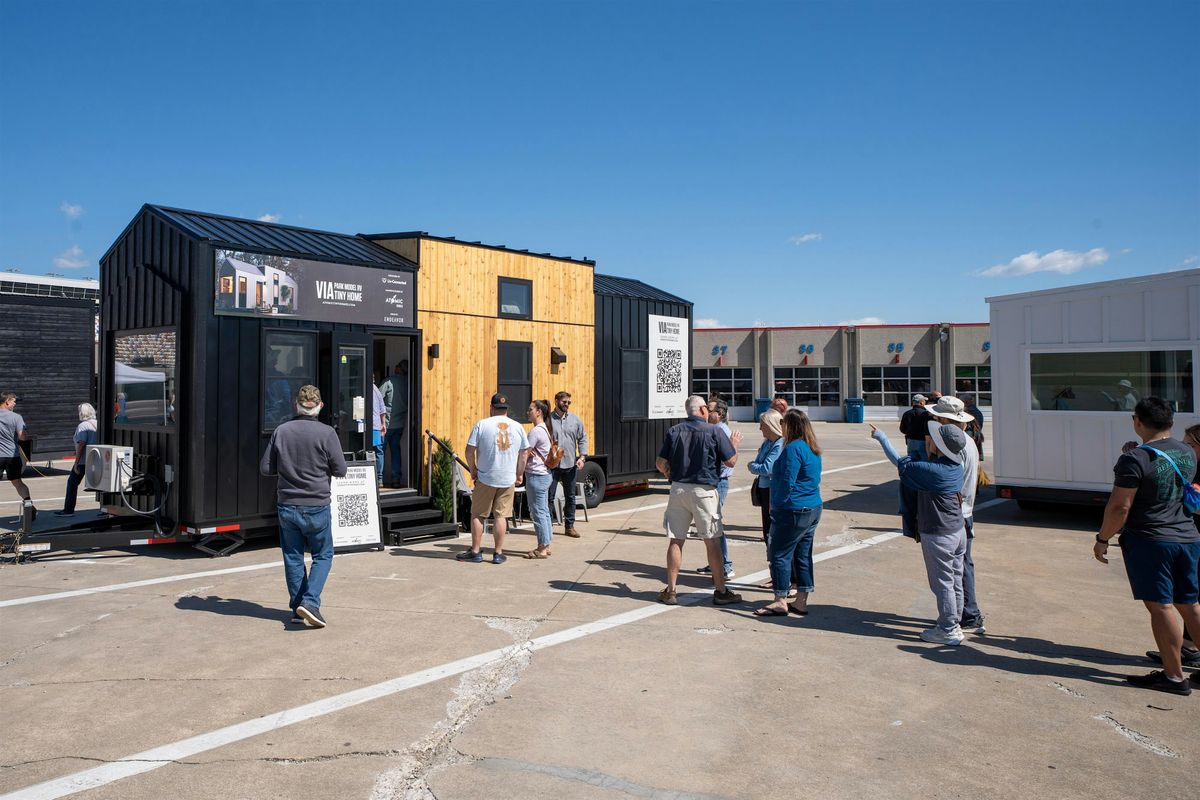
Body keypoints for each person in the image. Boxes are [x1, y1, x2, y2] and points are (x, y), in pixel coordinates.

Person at [1093, 397, 1200, 695]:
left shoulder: (1135, 459)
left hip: (1152, 541)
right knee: (1190, 604)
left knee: (1161, 606)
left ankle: (1175, 676)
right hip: (1188, 537)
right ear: (1171, 422)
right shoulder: (1187, 451)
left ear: (1137, 421)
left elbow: (1120, 507)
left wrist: (1103, 539)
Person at [871, 419, 969, 645]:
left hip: (939, 533)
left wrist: (882, 438)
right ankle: (953, 623)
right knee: (954, 579)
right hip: (957, 529)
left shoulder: (931, 470)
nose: (929, 440)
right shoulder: (956, 465)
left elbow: (899, 462)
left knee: (942, 582)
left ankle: (948, 629)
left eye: (934, 439)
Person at [259, 385, 348, 629]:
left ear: (295, 405)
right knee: (323, 555)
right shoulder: (327, 433)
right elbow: (341, 469)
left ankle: (298, 608)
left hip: (287, 504)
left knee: (292, 557)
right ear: (320, 406)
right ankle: (310, 603)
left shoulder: (281, 431)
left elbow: (266, 468)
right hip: (317, 503)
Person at [654, 395, 742, 606]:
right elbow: (730, 460)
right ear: (703, 410)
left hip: (679, 489)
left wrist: (669, 474)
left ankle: (671, 590)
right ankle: (720, 590)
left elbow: (659, 462)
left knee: (676, 540)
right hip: (704, 490)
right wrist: (734, 445)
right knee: (711, 540)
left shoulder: (674, 431)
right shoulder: (715, 431)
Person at [925, 396, 986, 635]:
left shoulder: (953, 447)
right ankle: (963, 615)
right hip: (965, 511)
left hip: (952, 514)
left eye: (937, 417)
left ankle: (962, 617)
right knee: (961, 566)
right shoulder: (968, 441)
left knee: (951, 572)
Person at [754, 410, 823, 617]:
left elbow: (786, 482)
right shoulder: (812, 448)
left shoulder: (792, 449)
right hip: (813, 507)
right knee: (802, 555)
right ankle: (801, 601)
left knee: (780, 555)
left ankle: (780, 600)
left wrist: (775, 506)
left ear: (790, 426)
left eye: (783, 422)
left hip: (793, 509)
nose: (781, 425)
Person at [1143, 423, 1200, 669]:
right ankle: (1188, 647)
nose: (1184, 448)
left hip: (1190, 537)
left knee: (1186, 600)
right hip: (1189, 536)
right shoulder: (1192, 467)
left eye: (1189, 444)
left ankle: (1178, 666)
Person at [460, 393, 530, 565]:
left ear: (491, 407)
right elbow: (525, 452)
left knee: (478, 514)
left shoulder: (482, 424)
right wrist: (519, 473)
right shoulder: (517, 426)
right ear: (506, 409)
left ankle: (476, 551)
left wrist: (473, 469)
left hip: (486, 476)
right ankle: (498, 553)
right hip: (507, 477)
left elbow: (469, 450)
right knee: (501, 516)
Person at [699, 397, 741, 580]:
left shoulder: (721, 431)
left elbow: (728, 463)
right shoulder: (715, 429)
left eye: (710, 409)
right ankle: (715, 562)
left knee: (715, 525)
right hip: (714, 481)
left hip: (718, 482)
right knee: (710, 525)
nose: (706, 412)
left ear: (720, 414)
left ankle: (726, 566)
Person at [547, 390, 588, 538]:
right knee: (549, 497)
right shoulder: (548, 420)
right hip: (552, 466)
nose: (567, 405)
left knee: (570, 496)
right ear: (556, 401)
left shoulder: (575, 420)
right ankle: (548, 527)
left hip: (570, 464)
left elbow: (582, 437)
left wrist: (582, 457)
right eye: (564, 402)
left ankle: (569, 527)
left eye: (569, 402)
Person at [747, 409, 784, 552]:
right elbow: (759, 464)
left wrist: (752, 466)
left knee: (771, 527)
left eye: (762, 424)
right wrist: (756, 466)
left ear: (770, 425)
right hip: (763, 488)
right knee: (766, 526)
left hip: (771, 490)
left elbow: (766, 468)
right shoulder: (767, 443)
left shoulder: (779, 444)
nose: (760, 428)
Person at [522, 400, 555, 559]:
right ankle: (547, 544)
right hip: (545, 474)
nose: (528, 412)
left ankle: (542, 548)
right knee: (544, 511)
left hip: (536, 475)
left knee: (538, 512)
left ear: (538, 412)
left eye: (530, 409)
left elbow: (524, 453)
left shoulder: (535, 431)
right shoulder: (546, 430)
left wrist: (518, 472)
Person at [56, 403, 98, 517]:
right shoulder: (97, 423)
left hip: (84, 460)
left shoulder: (83, 426)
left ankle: (68, 510)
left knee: (72, 483)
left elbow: (82, 444)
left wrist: (76, 462)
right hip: (97, 458)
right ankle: (103, 509)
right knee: (101, 484)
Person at [0, 391, 34, 520]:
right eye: (14, 401)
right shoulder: (16, 417)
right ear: (7, 401)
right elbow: (22, 437)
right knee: (18, 482)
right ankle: (29, 507)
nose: (15, 404)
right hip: (12, 456)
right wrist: (24, 432)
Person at [380, 360, 409, 487]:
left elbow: (377, 398)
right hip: (400, 423)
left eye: (397, 366)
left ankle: (379, 480)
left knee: (380, 451)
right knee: (396, 451)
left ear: (398, 368)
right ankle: (396, 479)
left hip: (386, 423)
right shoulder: (407, 383)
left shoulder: (388, 382)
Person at [899, 394, 930, 460]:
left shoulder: (907, 413)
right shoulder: (926, 414)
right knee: (924, 462)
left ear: (913, 403)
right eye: (925, 401)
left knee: (912, 461)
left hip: (910, 440)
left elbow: (902, 429)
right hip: (923, 441)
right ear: (921, 403)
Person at [371, 377, 387, 486]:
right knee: (378, 452)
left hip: (372, 426)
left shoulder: (368, 389)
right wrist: (383, 424)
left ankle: (376, 478)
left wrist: (382, 424)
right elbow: (383, 409)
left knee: (374, 451)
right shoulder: (377, 390)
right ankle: (379, 478)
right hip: (376, 426)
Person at [962, 393, 985, 462]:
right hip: (975, 438)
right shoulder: (976, 411)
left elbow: (976, 427)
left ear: (966, 402)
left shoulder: (970, 412)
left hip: (972, 438)